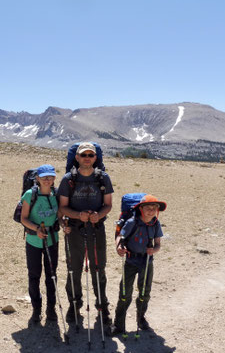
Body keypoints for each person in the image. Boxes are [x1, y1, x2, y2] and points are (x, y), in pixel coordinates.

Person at [58, 142, 114, 325]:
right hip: (74, 230)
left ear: (95, 158)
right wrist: (78, 215)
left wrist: (99, 215)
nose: (87, 158)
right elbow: (63, 207)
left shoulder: (103, 178)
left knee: (99, 268)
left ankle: (102, 305)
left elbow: (108, 204)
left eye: (91, 155)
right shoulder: (68, 179)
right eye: (84, 155)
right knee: (74, 269)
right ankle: (74, 305)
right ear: (77, 157)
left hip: (97, 230)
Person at [111, 195, 166, 335]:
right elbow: (120, 237)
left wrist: (153, 250)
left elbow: (158, 244)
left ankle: (141, 318)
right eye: (148, 208)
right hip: (130, 261)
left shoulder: (155, 224)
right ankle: (118, 324)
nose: (151, 211)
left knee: (144, 293)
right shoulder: (131, 222)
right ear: (141, 208)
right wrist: (119, 247)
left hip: (147, 262)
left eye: (154, 208)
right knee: (125, 293)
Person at [20, 164, 66, 324]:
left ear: (54, 178)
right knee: (34, 276)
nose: (48, 180)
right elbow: (23, 218)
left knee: (51, 276)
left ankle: (51, 309)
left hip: (52, 240)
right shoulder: (29, 195)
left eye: (51, 177)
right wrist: (37, 229)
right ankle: (36, 309)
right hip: (33, 241)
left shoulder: (56, 194)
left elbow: (59, 215)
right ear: (37, 178)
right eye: (44, 177)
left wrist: (63, 224)